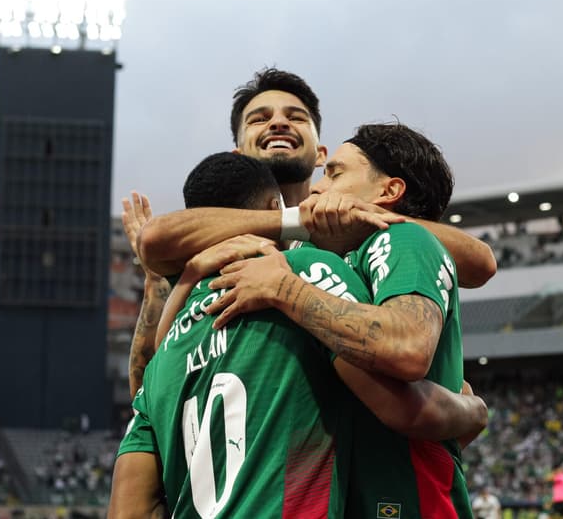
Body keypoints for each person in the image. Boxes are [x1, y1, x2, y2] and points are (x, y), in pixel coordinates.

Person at [110, 153, 487, 519]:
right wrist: (470, 410)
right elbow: (403, 398)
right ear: (274, 205)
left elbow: (129, 510)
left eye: (334, 173)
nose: (318, 192)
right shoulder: (304, 271)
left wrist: (178, 282)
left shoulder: (164, 354)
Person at [124, 67, 496, 396]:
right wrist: (295, 220)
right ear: (236, 154)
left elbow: (479, 262)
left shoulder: (355, 225)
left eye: (296, 116)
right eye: (259, 119)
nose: (279, 123)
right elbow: (151, 395)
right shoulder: (209, 245)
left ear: (321, 154)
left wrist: (358, 216)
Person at [205, 124, 476, 517]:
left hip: (410, 504)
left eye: (335, 173)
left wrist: (286, 290)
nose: (317, 188)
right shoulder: (347, 259)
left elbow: (409, 346)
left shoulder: (404, 240)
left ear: (388, 192)